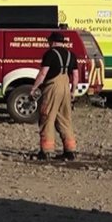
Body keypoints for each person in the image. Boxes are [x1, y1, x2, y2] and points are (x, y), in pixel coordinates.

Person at [29, 32, 79, 160]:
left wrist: (34, 88)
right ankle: (70, 150)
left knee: (47, 117)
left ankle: (46, 151)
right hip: (66, 88)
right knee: (65, 119)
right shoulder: (71, 55)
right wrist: (73, 91)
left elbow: (43, 73)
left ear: (52, 41)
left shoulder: (50, 54)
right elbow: (75, 75)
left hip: (52, 87)